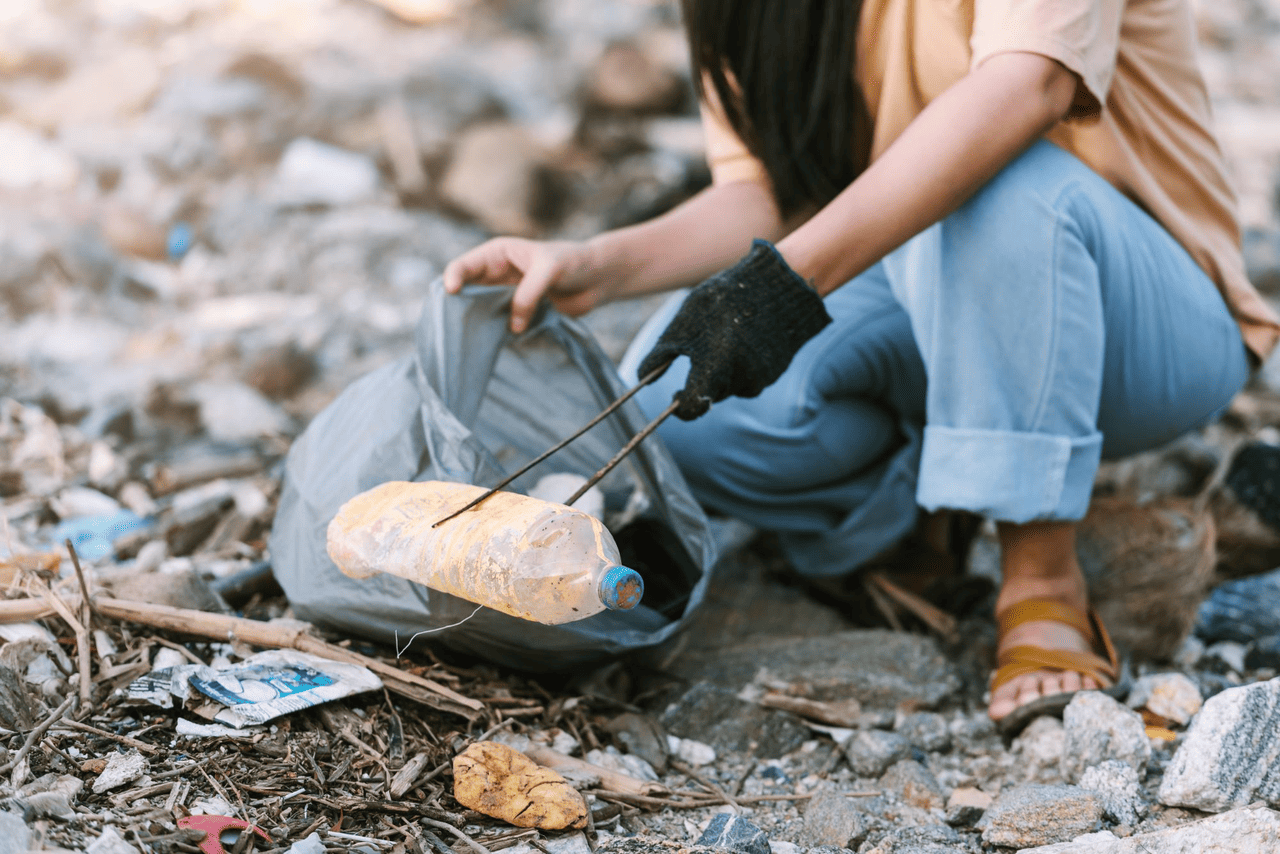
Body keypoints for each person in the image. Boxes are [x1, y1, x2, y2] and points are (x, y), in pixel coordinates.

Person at [442, 0, 1280, 730]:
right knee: (685, 403)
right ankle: (923, 514)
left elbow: (1030, 86)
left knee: (992, 174)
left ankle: (1042, 576)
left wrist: (781, 291)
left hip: (1145, 324)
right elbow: (768, 191)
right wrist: (598, 263)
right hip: (928, 289)